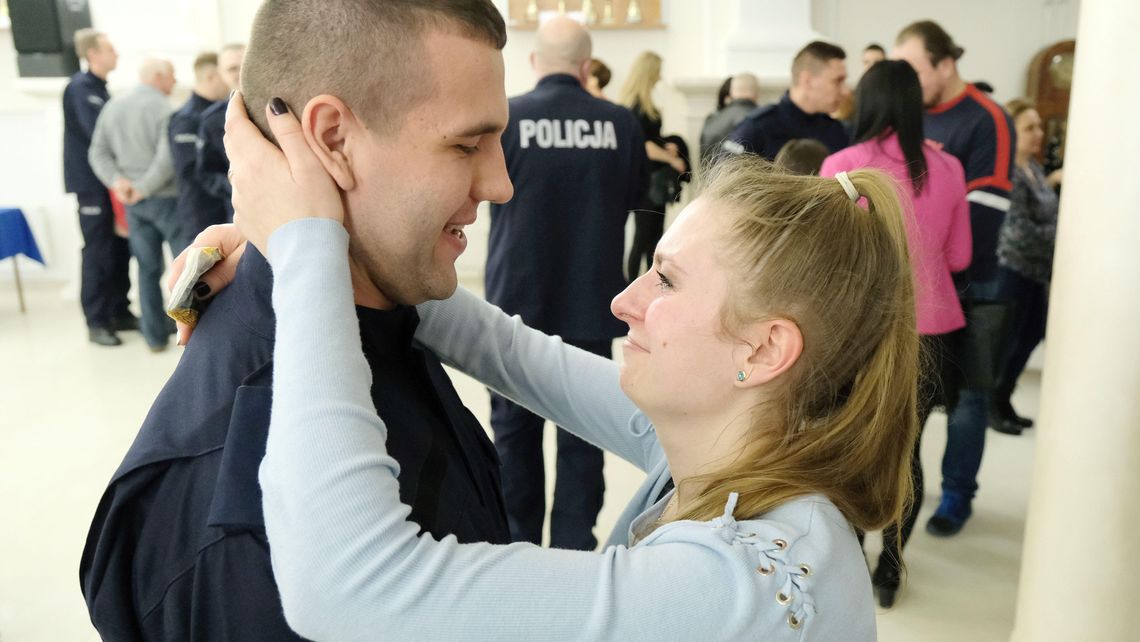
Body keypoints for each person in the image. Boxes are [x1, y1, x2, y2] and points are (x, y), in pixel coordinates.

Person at [207, 90, 918, 640]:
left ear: (764, 350)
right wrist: (327, 238)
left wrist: (308, 252)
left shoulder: (740, 587)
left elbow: (346, 585)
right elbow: (512, 352)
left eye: (665, 280)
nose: (623, 301)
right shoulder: (734, 440)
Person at [79, 2, 513, 638]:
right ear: (332, 139)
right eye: (466, 145)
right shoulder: (248, 523)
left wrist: (293, 246)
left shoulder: (385, 322)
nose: (499, 184)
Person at [485, 17, 647, 550]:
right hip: (590, 298)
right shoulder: (620, 122)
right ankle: (576, 552)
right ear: (586, 65)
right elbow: (633, 200)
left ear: (534, 62)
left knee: (513, 432)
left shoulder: (506, 117)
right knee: (584, 436)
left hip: (516, 300)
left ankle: (518, 548)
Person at [820, 59, 971, 607]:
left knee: (854, 445)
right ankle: (892, 567)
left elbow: (822, 257)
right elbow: (960, 256)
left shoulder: (842, 165)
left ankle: (850, 555)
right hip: (931, 332)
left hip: (861, 330)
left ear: (867, 101)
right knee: (909, 450)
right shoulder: (948, 168)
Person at [893, 20, 1017, 537]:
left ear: (946, 64)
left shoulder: (987, 118)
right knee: (914, 394)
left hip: (978, 278)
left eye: (915, 70)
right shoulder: (911, 116)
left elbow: (987, 208)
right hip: (921, 281)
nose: (908, 81)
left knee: (969, 396)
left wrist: (929, 255)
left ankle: (957, 495)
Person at [87, 58, 183, 352]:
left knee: (147, 269)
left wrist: (120, 184)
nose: (174, 82)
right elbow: (168, 159)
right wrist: (142, 189)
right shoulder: (163, 108)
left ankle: (154, 336)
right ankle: (193, 335)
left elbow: (97, 153)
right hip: (166, 200)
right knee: (185, 270)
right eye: (171, 76)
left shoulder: (113, 106)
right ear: (157, 76)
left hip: (133, 204)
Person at [990, 98, 1060, 436]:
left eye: (1039, 126)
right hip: (1013, 270)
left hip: (1036, 273)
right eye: (1029, 127)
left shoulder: (1035, 170)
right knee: (1010, 340)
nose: (1038, 133)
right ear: (1011, 132)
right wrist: (1063, 236)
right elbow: (1018, 232)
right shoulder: (1009, 174)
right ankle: (994, 402)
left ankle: (1003, 397)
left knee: (1032, 333)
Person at [62, 28, 134, 347]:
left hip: (110, 184)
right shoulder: (80, 88)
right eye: (110, 49)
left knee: (120, 249)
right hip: (91, 186)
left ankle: (120, 310)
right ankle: (97, 320)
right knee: (98, 251)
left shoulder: (102, 90)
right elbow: (100, 136)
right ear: (92, 53)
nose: (115, 53)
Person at [620, 51, 689, 279]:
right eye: (658, 70)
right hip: (646, 181)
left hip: (649, 180)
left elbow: (650, 139)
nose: (661, 75)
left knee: (652, 237)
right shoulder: (638, 106)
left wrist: (666, 144)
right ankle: (632, 284)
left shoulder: (640, 104)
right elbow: (645, 146)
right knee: (644, 237)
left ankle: (649, 282)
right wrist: (673, 159)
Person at [724, 41, 849, 160]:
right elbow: (727, 178)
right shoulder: (758, 128)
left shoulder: (835, 130)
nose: (845, 91)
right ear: (807, 81)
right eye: (837, 81)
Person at [168, 52, 230, 249]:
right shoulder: (186, 120)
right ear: (212, 76)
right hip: (201, 215)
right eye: (226, 73)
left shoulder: (224, 112)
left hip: (225, 209)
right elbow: (192, 172)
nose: (230, 81)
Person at [194, 43, 245, 223]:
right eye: (232, 68)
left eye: (245, 63)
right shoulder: (212, 121)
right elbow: (207, 172)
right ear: (221, 74)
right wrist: (237, 185)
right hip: (240, 215)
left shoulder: (280, 107)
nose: (240, 72)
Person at [699, 72, 760, 164]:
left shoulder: (711, 119)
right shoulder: (761, 118)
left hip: (711, 177)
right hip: (745, 177)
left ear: (732, 91)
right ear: (757, 92)